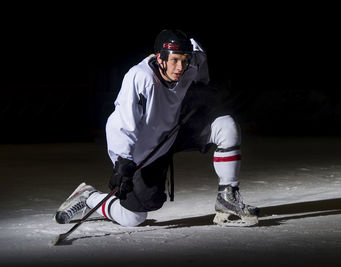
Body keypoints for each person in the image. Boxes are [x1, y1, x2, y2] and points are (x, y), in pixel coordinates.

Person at [54, 29, 258, 227]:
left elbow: (198, 58)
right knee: (133, 218)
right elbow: (121, 122)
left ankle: (227, 197)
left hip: (176, 130)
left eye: (184, 60)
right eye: (175, 60)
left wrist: (202, 86)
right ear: (160, 58)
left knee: (226, 126)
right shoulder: (140, 78)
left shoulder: (191, 62)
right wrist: (121, 160)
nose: (180, 66)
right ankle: (89, 196)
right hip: (146, 152)